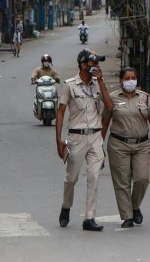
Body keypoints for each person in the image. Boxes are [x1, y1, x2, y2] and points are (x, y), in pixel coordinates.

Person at [101, 67, 150, 228]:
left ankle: (135, 205)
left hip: (142, 145)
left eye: (133, 78)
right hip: (118, 145)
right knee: (122, 182)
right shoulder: (112, 98)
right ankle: (127, 216)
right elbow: (105, 122)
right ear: (121, 80)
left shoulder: (144, 98)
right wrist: (98, 146)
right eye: (127, 78)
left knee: (142, 178)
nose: (130, 81)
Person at [55, 49, 111, 232]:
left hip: (95, 136)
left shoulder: (97, 84)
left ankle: (89, 218)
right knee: (71, 178)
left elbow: (110, 107)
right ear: (82, 64)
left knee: (94, 176)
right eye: (92, 63)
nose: (96, 66)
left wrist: (101, 81)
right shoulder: (70, 85)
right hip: (76, 137)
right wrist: (58, 140)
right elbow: (61, 112)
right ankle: (66, 206)